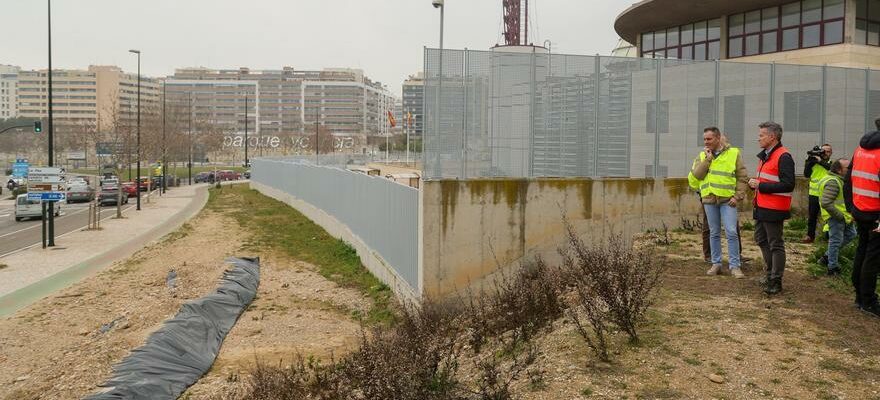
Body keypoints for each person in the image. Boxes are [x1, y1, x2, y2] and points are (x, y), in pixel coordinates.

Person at [691, 127, 749, 278]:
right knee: (714, 232)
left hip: (727, 201)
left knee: (731, 231)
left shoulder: (734, 153)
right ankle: (716, 264)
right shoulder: (703, 155)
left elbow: (742, 177)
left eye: (709, 139)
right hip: (709, 199)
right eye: (704, 139)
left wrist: (737, 196)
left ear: (717, 138)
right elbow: (697, 175)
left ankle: (735, 266)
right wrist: (708, 160)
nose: (706, 142)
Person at [748, 121, 795, 295]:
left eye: (761, 135)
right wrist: (756, 185)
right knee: (761, 239)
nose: (758, 138)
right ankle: (770, 273)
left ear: (772, 137)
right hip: (762, 206)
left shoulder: (784, 156)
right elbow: (768, 180)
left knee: (775, 244)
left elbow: (789, 184)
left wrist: (761, 185)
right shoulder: (766, 155)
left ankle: (776, 279)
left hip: (774, 208)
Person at [844, 118, 880, 317]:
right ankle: (868, 301)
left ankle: (860, 297)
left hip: (860, 211)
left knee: (862, 252)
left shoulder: (860, 150)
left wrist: (851, 207)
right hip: (875, 214)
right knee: (872, 258)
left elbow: (848, 179)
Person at [818, 159, 855, 276]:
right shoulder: (833, 181)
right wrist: (840, 216)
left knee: (851, 234)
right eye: (847, 168)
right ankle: (832, 268)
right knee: (835, 241)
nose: (850, 170)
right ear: (839, 170)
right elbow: (826, 202)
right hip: (836, 217)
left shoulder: (839, 180)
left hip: (844, 216)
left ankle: (827, 256)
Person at [803, 144, 833, 243]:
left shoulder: (832, 163)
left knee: (829, 217)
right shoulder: (813, 162)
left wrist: (820, 162)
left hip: (827, 194)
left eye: (828, 151)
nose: (825, 153)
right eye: (823, 151)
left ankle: (829, 237)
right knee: (812, 217)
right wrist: (809, 162)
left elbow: (831, 169)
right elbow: (806, 174)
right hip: (814, 194)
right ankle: (810, 236)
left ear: (831, 153)